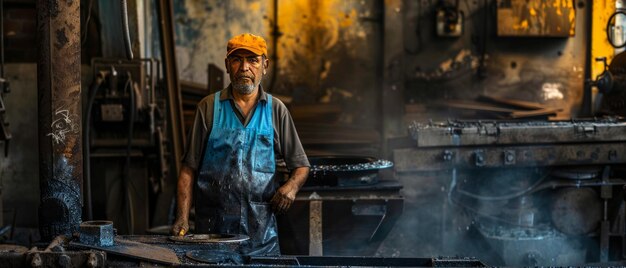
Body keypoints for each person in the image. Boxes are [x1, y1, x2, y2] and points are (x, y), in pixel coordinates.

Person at [170, 33, 310, 256]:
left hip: (261, 239)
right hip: (212, 236)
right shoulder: (208, 108)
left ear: (265, 65)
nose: (245, 67)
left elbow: (301, 166)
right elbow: (188, 170)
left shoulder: (276, 111)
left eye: (253, 60)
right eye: (237, 59)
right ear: (227, 65)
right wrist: (182, 218)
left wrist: (290, 188)